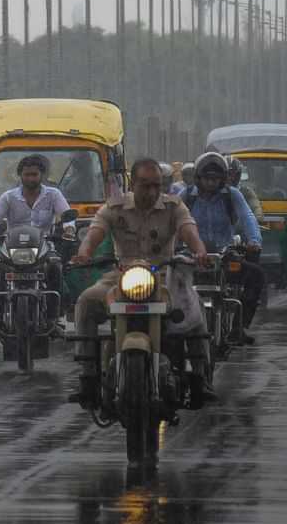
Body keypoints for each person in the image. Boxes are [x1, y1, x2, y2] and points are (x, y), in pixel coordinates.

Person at [69, 158, 213, 408]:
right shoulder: (114, 207)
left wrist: (200, 252)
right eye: (145, 185)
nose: (152, 191)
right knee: (86, 302)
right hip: (121, 276)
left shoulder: (174, 206)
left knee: (194, 308)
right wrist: (84, 253)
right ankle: (88, 376)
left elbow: (189, 230)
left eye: (157, 185)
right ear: (132, 184)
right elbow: (94, 233)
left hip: (163, 276)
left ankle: (201, 377)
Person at [181, 152, 267, 344]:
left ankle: (239, 327)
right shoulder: (186, 196)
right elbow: (171, 218)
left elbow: (247, 217)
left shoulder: (232, 195)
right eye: (207, 178)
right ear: (198, 178)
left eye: (216, 179)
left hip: (224, 255)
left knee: (257, 276)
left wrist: (254, 240)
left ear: (223, 179)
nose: (211, 183)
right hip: (190, 257)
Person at [0, 154, 73, 334]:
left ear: (42, 175)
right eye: (27, 175)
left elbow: (67, 216)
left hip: (44, 246)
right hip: (12, 248)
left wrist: (69, 228)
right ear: (20, 176)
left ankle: (54, 318)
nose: (31, 178)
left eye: (34, 175)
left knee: (55, 267)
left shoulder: (53, 195)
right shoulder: (8, 197)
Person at [228, 157, 264, 223]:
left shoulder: (246, 192)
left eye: (235, 174)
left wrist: (257, 218)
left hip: (241, 227)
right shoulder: (215, 191)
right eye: (229, 174)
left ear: (239, 175)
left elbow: (255, 206)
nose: (232, 178)